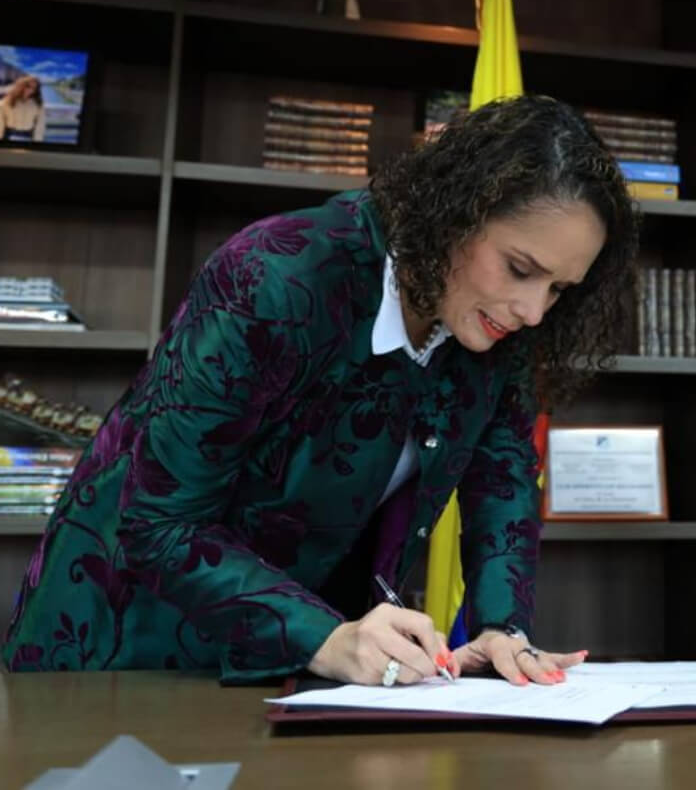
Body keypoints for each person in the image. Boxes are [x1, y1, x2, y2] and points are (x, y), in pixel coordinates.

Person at [3, 95, 638, 685]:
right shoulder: (274, 276)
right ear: (456, 211)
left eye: (559, 290)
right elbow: (159, 522)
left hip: (301, 663)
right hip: (125, 645)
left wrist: (504, 627)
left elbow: (502, 483)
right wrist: (324, 636)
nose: (532, 310)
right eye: (521, 269)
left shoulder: (498, 332)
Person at [0, 75, 46, 142]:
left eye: (34, 88)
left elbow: (40, 125)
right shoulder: (5, 103)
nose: (30, 90)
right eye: (28, 86)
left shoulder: (38, 104)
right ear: (20, 86)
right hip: (8, 136)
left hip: (29, 137)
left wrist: (37, 142)